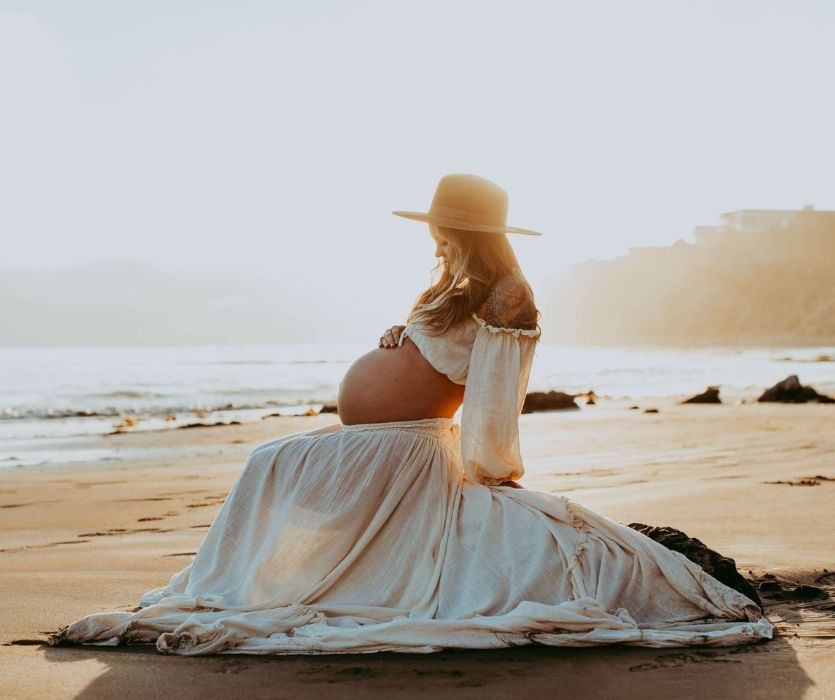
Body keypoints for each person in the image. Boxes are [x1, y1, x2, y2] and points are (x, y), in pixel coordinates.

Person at [49, 174, 773, 655]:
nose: (437, 237)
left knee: (269, 461)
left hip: (408, 448)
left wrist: (491, 469)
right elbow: (435, 353)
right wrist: (398, 336)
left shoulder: (506, 295)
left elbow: (496, 385)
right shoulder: (453, 285)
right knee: (272, 461)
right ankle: (260, 586)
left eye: (447, 228)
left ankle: (270, 589)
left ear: (471, 232)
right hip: (377, 441)